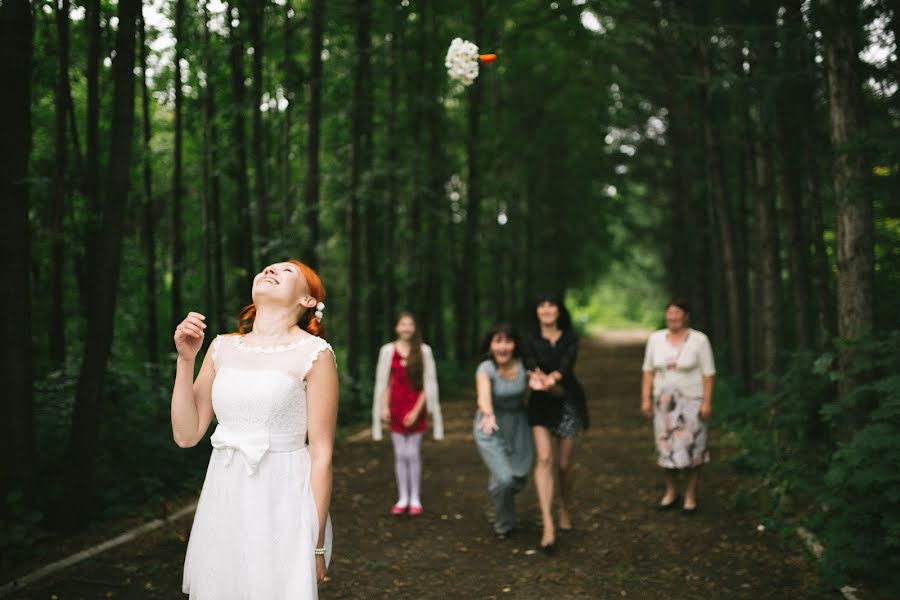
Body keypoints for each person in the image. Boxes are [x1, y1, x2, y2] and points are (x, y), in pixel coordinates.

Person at [172, 259, 339, 599]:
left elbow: (322, 456)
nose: (271, 270)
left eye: (287, 271)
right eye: (267, 268)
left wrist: (317, 545)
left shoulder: (315, 354)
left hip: (283, 497)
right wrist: (185, 360)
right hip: (225, 494)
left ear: (307, 300)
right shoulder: (222, 347)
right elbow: (186, 435)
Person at [522, 294, 589, 553]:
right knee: (545, 459)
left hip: (567, 401)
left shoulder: (570, 337)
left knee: (563, 465)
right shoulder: (529, 339)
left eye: (551, 305)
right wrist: (536, 376)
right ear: (536, 311)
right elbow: (528, 361)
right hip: (539, 403)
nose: (547, 309)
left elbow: (567, 364)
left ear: (559, 311)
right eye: (542, 305)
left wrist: (554, 377)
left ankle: (564, 504)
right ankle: (548, 525)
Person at [640, 298, 715, 514]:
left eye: (677, 313)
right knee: (666, 447)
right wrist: (645, 399)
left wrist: (707, 402)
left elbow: (708, 373)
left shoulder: (700, 340)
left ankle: (690, 494)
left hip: (692, 400)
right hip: (663, 402)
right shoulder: (655, 339)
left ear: (686, 316)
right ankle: (671, 491)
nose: (673, 317)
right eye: (669, 313)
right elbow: (648, 370)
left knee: (694, 447)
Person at [372, 313, 443, 516]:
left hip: (415, 409)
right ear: (396, 327)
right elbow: (384, 382)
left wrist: (417, 410)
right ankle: (402, 497)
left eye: (410, 324)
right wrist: (384, 407)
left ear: (414, 328)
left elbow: (428, 384)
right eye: (403, 324)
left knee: (413, 453)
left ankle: (415, 498)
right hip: (395, 408)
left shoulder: (423, 350)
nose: (406, 327)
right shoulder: (388, 351)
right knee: (400, 454)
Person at [473, 324, 534, 539]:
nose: (503, 346)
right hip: (490, 426)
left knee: (519, 477)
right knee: (505, 480)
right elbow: (483, 396)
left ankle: (498, 492)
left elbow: (538, 382)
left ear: (515, 345)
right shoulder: (486, 368)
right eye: (498, 341)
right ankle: (503, 525)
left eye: (508, 341)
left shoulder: (524, 365)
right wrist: (488, 414)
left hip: (518, 425)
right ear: (490, 346)